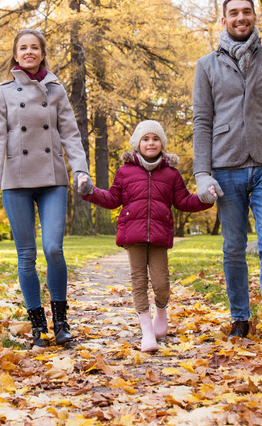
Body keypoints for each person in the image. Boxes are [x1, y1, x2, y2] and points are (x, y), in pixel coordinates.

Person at [192, 0, 262, 354]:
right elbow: (201, 122)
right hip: (225, 168)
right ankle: (240, 319)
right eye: (234, 13)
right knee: (233, 248)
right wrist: (202, 173)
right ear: (223, 20)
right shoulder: (206, 66)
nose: (241, 17)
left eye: (247, 12)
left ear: (255, 17)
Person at [0, 29, 94, 348]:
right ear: (16, 55)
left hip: (52, 179)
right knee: (26, 255)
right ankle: (38, 327)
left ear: (42, 54)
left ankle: (61, 321)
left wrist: (80, 171)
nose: (29, 52)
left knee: (54, 248)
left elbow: (71, 134)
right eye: (23, 48)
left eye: (35, 47)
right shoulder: (2, 92)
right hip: (15, 179)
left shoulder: (56, 89)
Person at [78, 120, 213, 352]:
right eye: (146, 139)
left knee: (161, 283)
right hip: (133, 235)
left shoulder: (171, 174)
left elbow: (182, 201)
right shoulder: (125, 172)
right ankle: (146, 332)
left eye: (155, 139)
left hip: (160, 235)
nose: (151, 143)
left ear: (162, 143)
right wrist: (90, 191)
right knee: (138, 282)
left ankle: (161, 313)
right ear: (137, 144)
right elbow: (112, 199)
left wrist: (204, 199)